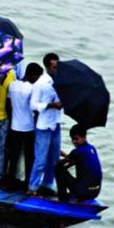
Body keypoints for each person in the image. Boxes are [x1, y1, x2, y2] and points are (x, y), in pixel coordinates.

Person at [28, 53, 63, 196]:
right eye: (54, 67)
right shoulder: (41, 84)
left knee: (54, 158)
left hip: (56, 123)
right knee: (41, 159)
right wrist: (51, 105)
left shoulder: (60, 81)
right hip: (44, 126)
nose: (56, 69)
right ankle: (32, 186)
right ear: (48, 67)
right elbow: (33, 105)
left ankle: (48, 183)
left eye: (57, 66)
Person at [6, 63, 43, 189]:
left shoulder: (12, 85)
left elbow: (8, 105)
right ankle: (28, 182)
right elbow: (35, 107)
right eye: (37, 77)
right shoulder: (31, 89)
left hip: (14, 126)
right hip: (29, 127)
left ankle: (10, 182)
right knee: (29, 157)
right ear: (32, 75)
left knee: (14, 156)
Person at [54, 124, 102, 202]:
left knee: (57, 168)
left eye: (76, 139)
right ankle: (74, 193)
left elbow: (60, 163)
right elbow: (73, 161)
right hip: (95, 192)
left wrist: (54, 152)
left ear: (84, 137)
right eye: (72, 139)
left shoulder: (77, 152)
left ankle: (63, 198)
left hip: (83, 192)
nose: (74, 141)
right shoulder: (92, 149)